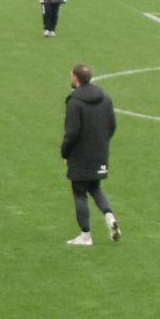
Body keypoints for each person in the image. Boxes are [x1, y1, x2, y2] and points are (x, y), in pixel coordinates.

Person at [61, 63, 117, 246]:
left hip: (81, 155)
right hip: (100, 152)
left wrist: (65, 153)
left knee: (79, 192)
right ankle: (109, 216)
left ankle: (85, 235)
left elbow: (72, 132)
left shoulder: (74, 102)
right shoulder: (106, 98)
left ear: (76, 78)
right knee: (95, 187)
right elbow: (112, 126)